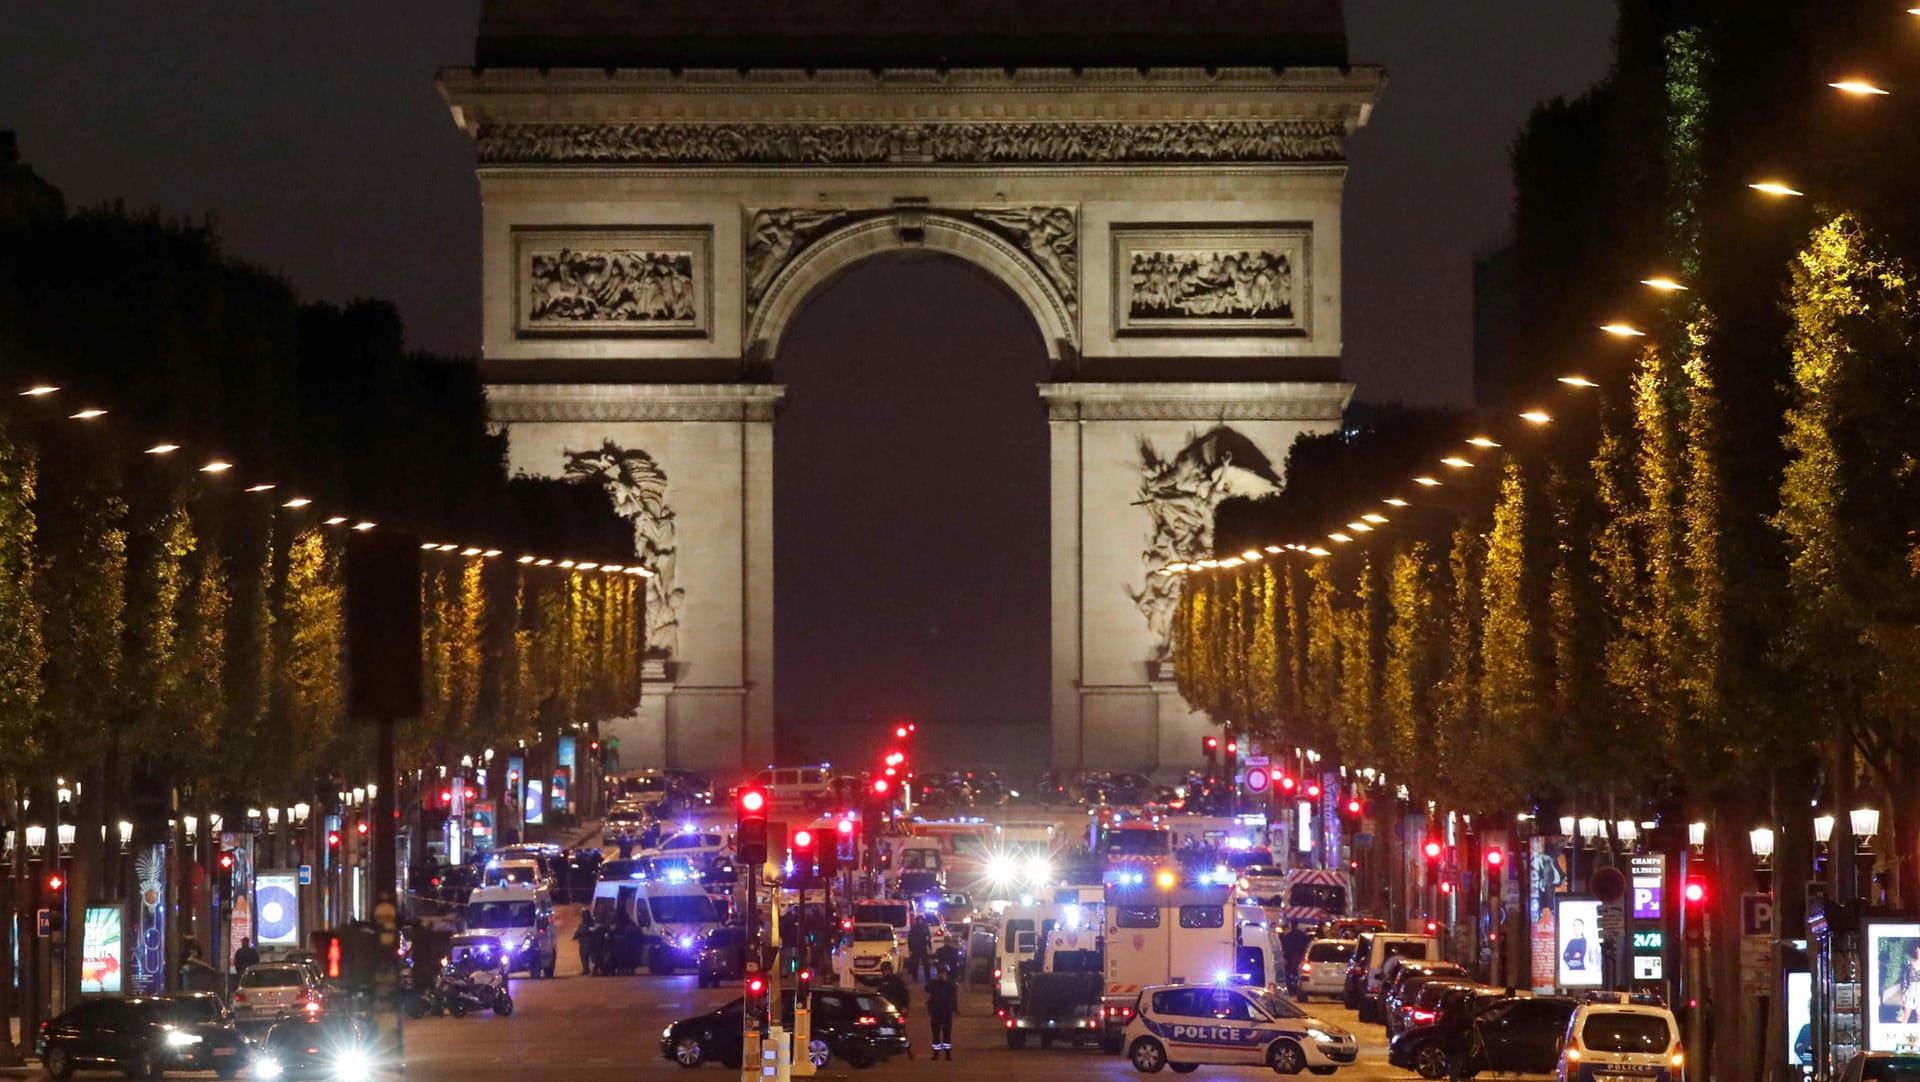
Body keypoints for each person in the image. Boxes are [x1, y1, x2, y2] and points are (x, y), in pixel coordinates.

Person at [876, 962, 913, 1060]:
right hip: (885, 1010)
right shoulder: (882, 981)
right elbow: (869, 982)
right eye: (883, 970)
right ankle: (884, 1054)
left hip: (897, 1009)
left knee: (901, 1031)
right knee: (883, 1032)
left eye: (887, 970)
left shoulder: (897, 981)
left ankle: (909, 1051)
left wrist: (905, 1007)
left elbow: (905, 994)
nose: (885, 972)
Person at [924, 965, 959, 1061]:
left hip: (946, 1012)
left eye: (943, 973)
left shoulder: (950, 984)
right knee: (935, 1034)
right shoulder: (934, 983)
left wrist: (955, 1009)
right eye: (939, 973)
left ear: (946, 974)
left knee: (947, 1033)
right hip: (936, 1012)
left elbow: (954, 997)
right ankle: (936, 1053)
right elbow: (926, 989)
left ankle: (948, 1054)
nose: (941, 975)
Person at [1279, 921, 1313, 994]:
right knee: (1298, 971)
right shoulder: (1302, 935)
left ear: (1291, 926)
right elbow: (1308, 942)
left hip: (1291, 956)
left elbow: (1285, 946)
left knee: (1289, 972)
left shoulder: (1289, 935)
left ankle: (1291, 988)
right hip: (1300, 955)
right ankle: (1295, 985)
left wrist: (1286, 955)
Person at [574, 909, 598, 975]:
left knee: (593, 958)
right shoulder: (582, 923)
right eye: (583, 915)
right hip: (583, 943)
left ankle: (596, 970)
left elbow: (593, 930)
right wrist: (576, 935)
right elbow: (579, 930)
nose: (584, 916)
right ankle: (586, 970)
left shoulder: (591, 923)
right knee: (584, 957)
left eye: (585, 914)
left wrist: (586, 931)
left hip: (590, 943)